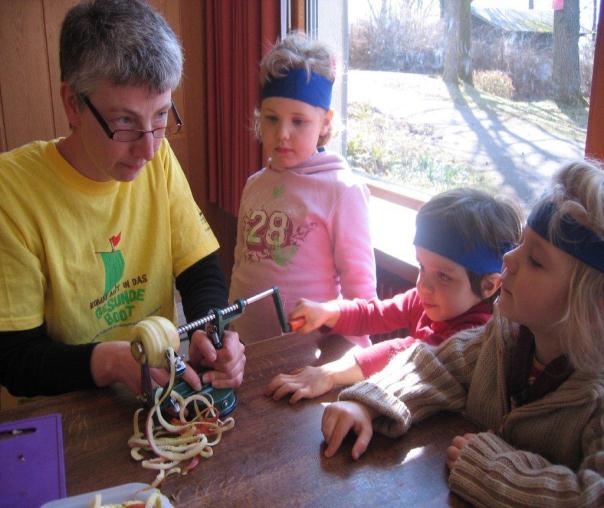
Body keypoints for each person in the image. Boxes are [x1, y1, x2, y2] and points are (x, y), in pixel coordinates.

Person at [321, 160, 604, 506]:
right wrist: (369, 402)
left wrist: (495, 470)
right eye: (520, 245)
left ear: (594, 307)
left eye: (536, 261)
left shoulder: (596, 399)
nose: (510, 261)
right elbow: (435, 367)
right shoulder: (504, 340)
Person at [0, 0, 245, 399]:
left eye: (162, 116)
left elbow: (199, 271)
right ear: (73, 104)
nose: (148, 150)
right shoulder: (11, 191)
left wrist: (211, 332)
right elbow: (16, 361)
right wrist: (112, 361)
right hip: (70, 412)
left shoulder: (157, 158)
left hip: (159, 396)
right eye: (125, 122)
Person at [266, 187, 523, 403]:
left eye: (443, 276)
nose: (424, 285)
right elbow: (377, 313)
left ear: (489, 286)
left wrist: (329, 374)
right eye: (422, 266)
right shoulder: (431, 298)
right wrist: (330, 311)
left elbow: (408, 351)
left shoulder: (477, 334)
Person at [229, 32, 377, 344]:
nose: (282, 133)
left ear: (324, 123)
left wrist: (343, 369)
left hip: (308, 357)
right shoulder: (254, 185)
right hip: (246, 350)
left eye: (298, 122)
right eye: (271, 119)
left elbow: (362, 299)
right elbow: (241, 264)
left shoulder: (342, 190)